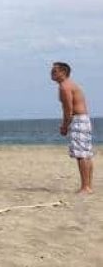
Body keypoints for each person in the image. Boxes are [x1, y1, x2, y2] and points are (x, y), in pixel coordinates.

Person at [51, 62, 94, 194]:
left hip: (78, 119)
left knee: (81, 155)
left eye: (54, 71)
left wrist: (65, 126)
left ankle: (86, 187)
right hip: (83, 119)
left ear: (63, 73)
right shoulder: (69, 85)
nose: (52, 73)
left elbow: (68, 109)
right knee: (85, 154)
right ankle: (88, 186)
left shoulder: (65, 86)